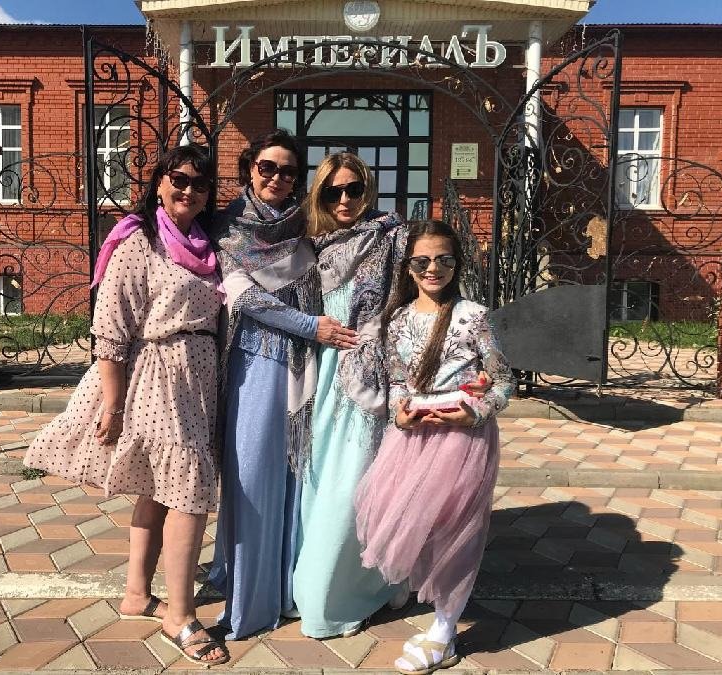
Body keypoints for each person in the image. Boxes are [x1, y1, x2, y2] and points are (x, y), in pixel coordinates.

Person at [23, 145, 229, 666]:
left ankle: (137, 593)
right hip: (158, 375)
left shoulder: (206, 245)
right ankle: (180, 616)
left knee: (159, 488)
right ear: (159, 182)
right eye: (179, 179)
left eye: (200, 184)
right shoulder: (139, 240)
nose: (188, 190)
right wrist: (112, 408)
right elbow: (110, 331)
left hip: (199, 377)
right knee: (188, 491)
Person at [208, 130, 357, 639]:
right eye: (267, 167)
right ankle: (250, 601)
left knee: (296, 479)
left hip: (307, 365)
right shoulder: (227, 227)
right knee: (251, 479)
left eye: (288, 171)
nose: (276, 177)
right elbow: (244, 298)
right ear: (249, 168)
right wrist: (310, 326)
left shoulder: (306, 224)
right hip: (254, 364)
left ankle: (290, 588)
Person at [354, 219, 515, 673]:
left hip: (461, 435)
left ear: (457, 263)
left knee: (455, 530)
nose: (433, 269)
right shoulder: (397, 320)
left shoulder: (475, 315)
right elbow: (395, 383)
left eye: (444, 259)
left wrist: (476, 411)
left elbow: (504, 381)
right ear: (407, 267)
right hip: (411, 437)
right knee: (407, 517)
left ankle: (445, 630)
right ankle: (417, 593)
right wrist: (398, 413)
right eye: (422, 261)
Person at [292, 152, 409, 639]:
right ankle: (313, 584)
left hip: (369, 377)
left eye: (354, 189)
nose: (344, 200)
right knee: (319, 484)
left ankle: (337, 594)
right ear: (319, 195)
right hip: (317, 377)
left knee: (356, 484)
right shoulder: (307, 243)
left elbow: (414, 302)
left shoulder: (393, 236)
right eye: (332, 191)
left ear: (368, 190)